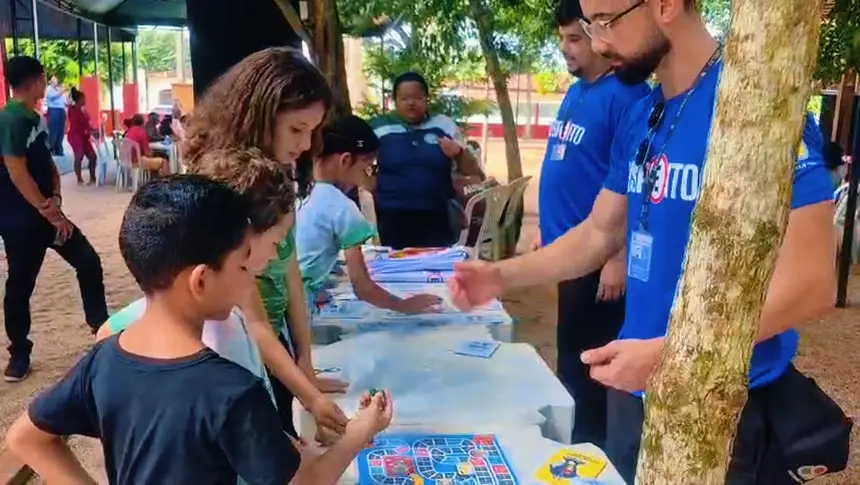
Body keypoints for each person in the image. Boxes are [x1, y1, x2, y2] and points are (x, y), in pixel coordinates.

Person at [448, 1, 841, 482]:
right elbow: (599, 232)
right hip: (635, 391)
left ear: (666, 5)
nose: (597, 43)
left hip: (722, 405)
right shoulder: (646, 113)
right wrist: (500, 274)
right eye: (590, 26)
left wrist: (670, 352)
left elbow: (813, 282)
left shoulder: (757, 112)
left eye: (606, 22)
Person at [6, 175, 394, 484]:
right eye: (243, 267)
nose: (250, 282)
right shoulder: (232, 390)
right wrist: (361, 432)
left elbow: (25, 437)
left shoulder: (103, 360)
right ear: (202, 281)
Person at [182, 47, 346, 438]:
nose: (305, 145)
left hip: (275, 352)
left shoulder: (276, 177)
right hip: (238, 353)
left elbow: (291, 276)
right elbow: (252, 320)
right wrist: (311, 396)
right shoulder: (229, 187)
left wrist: (305, 360)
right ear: (260, 115)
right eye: (296, 129)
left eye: (312, 130)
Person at [532, 0, 650, 448]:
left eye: (576, 39)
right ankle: (575, 448)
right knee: (570, 361)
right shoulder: (578, 90)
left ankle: (594, 454)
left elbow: (634, 181)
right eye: (563, 39)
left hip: (599, 261)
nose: (566, 49)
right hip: (568, 256)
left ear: (602, 38)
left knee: (594, 368)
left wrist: (617, 258)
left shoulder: (628, 97)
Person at [0, 56, 108, 383]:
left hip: (49, 216)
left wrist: (57, 199)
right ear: (34, 80)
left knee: (87, 261)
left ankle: (101, 330)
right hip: (21, 221)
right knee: (20, 285)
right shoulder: (9, 119)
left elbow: (46, 164)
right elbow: (16, 170)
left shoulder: (35, 118)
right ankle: (20, 352)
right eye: (44, 79)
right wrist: (49, 210)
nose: (46, 84)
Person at [295, 115, 442, 316]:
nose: (368, 176)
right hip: (297, 311)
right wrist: (404, 305)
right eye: (367, 168)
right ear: (346, 160)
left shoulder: (295, 191)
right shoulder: (342, 208)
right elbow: (363, 287)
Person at [369, 71, 484, 249]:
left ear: (426, 99)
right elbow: (358, 161)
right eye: (405, 98)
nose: (411, 103)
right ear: (394, 100)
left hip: (436, 216)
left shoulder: (444, 125)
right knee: (396, 271)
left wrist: (459, 152)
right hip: (391, 217)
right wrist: (368, 185)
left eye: (417, 98)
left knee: (435, 272)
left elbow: (473, 171)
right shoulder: (378, 127)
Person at [66, 87, 97, 185]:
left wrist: (93, 130)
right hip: (75, 136)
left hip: (84, 137)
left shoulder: (84, 110)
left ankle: (93, 177)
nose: (85, 100)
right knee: (79, 155)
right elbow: (68, 101)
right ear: (78, 100)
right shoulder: (72, 109)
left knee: (93, 156)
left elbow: (87, 124)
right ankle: (79, 178)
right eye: (83, 98)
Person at [44, 75, 66, 156]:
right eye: (53, 80)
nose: (55, 81)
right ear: (49, 81)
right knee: (53, 131)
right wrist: (62, 92)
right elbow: (53, 97)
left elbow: (64, 101)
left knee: (61, 131)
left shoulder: (58, 89)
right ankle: (52, 149)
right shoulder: (49, 89)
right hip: (54, 110)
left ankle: (59, 149)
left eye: (56, 79)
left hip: (61, 110)